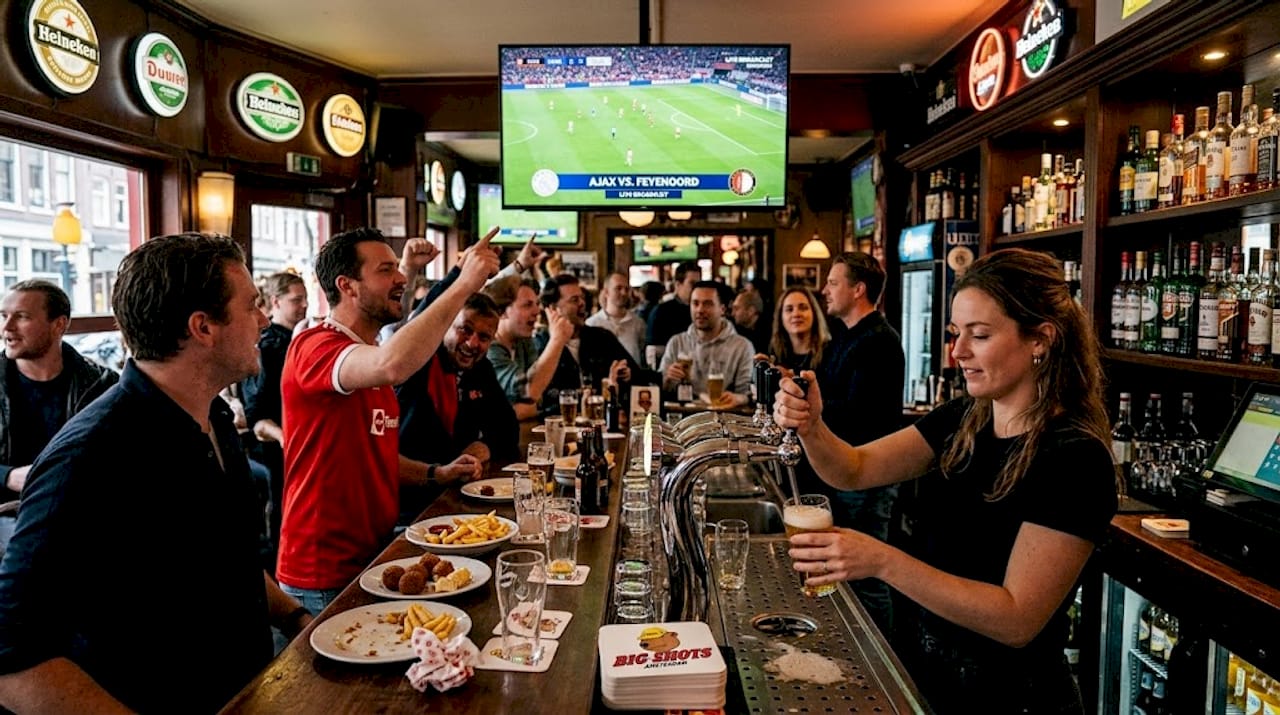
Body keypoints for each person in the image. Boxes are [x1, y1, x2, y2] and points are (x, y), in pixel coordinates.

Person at [773, 248, 1119, 714]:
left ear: (1040, 339)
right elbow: (853, 468)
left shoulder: (1074, 458)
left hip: (1012, 700)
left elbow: (1016, 618)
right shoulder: (965, 419)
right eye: (957, 333)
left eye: (980, 335)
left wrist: (881, 561)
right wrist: (812, 426)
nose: (958, 352)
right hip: (929, 679)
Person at [0, 234, 312, 714]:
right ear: (202, 327)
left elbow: (227, 557)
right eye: (252, 306)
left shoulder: (215, 417)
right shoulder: (89, 454)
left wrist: (297, 619)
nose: (265, 320)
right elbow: (12, 656)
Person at [276, 227, 500, 614]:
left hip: (373, 555)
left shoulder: (368, 353)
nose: (401, 278)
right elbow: (393, 364)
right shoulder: (315, 345)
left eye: (398, 268)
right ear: (347, 285)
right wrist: (463, 284)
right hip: (324, 570)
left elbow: (376, 455)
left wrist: (436, 473)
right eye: (386, 270)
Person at [805, 252, 906, 631]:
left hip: (868, 476)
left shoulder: (878, 341)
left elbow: (859, 415)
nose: (825, 290)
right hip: (847, 469)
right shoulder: (846, 336)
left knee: (866, 578)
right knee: (846, 574)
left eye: (833, 282)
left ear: (858, 289)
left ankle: (881, 656)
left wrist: (812, 407)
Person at [397, 292, 518, 524]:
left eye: (484, 337)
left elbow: (509, 427)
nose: (472, 343)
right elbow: (402, 445)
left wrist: (486, 446)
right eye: (465, 330)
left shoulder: (482, 369)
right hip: (412, 505)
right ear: (446, 325)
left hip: (457, 494)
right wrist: (442, 470)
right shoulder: (418, 364)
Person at [0, 280, 117, 503]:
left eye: (22, 317)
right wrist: (8, 476)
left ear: (59, 325)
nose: (7, 327)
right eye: (4, 316)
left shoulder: (102, 385)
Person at [240, 271, 308, 571]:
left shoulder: (300, 341)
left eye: (305, 299)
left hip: (299, 445)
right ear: (276, 302)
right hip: (276, 450)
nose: (304, 305)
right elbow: (256, 414)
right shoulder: (266, 347)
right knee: (284, 514)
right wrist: (284, 437)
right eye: (296, 300)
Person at [534, 274, 650, 413]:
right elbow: (540, 399)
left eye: (582, 298)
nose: (582, 303)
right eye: (574, 300)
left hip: (602, 420)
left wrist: (627, 376)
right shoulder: (539, 345)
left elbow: (639, 378)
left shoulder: (602, 337)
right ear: (553, 308)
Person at [487, 276, 572, 420]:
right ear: (502, 312)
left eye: (537, 304)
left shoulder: (524, 342)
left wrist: (522, 406)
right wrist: (557, 340)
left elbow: (537, 396)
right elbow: (530, 391)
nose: (537, 311)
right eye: (527, 305)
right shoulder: (489, 348)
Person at [659, 281, 754, 406]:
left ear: (722, 309)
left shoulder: (742, 346)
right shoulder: (676, 342)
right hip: (683, 414)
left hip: (724, 414)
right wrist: (667, 379)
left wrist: (738, 398)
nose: (700, 310)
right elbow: (659, 389)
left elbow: (747, 394)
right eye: (695, 303)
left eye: (707, 304)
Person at [766, 287, 830, 375]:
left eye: (803, 308)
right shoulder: (772, 354)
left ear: (814, 313)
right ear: (780, 318)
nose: (796, 314)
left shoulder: (831, 352)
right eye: (789, 309)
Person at [586, 272, 645, 365]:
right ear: (606, 292)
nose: (624, 293)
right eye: (618, 288)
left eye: (627, 289)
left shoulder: (638, 323)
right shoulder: (592, 323)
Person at [646, 261, 699, 350]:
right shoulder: (661, 312)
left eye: (698, 284)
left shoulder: (701, 311)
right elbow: (653, 349)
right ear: (678, 285)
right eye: (692, 284)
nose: (697, 288)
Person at [731, 289, 772, 356]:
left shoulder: (770, 333)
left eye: (736, 309)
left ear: (751, 311)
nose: (732, 314)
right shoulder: (735, 330)